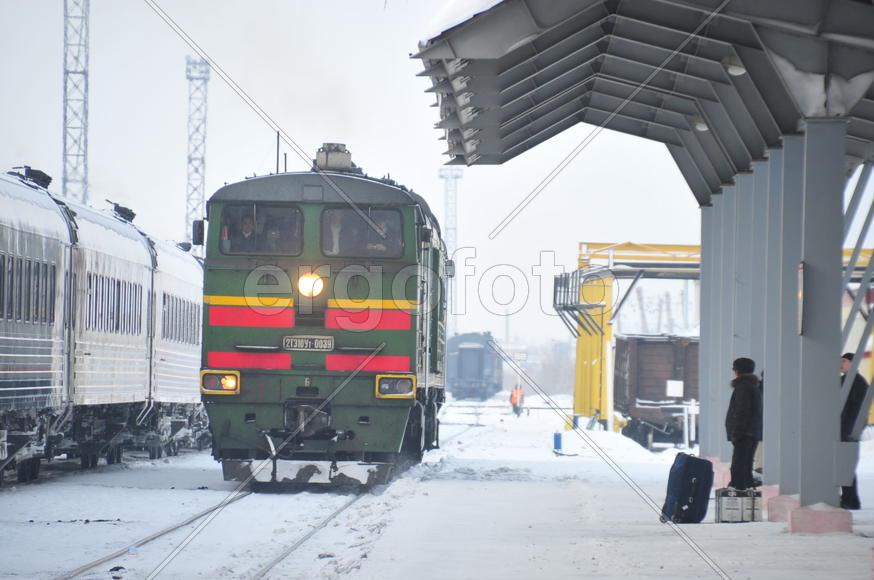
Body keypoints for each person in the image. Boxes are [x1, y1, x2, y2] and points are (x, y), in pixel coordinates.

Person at [725, 357, 763, 490]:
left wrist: (737, 433)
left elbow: (742, 411)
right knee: (745, 468)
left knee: (739, 468)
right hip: (751, 433)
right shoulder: (752, 386)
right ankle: (745, 492)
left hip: (744, 435)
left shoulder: (743, 387)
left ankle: (739, 496)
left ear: (737, 371)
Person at [840, 352, 870, 510]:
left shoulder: (855, 383)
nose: (841, 363)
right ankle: (850, 499)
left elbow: (855, 410)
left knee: (846, 465)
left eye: (844, 361)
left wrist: (848, 429)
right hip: (848, 429)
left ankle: (850, 499)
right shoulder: (852, 381)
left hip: (848, 430)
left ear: (853, 363)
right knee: (846, 465)